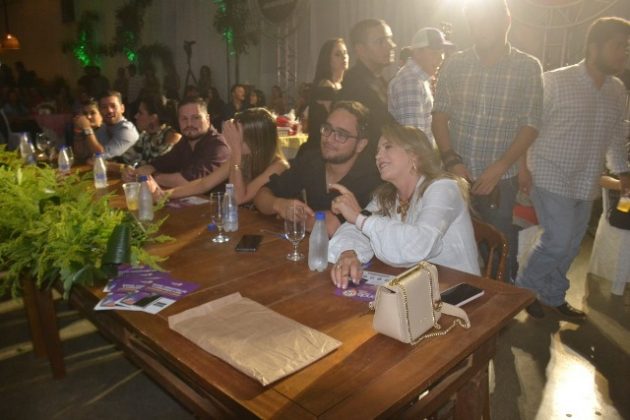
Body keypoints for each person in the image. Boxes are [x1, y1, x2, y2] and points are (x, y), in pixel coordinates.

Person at [516, 17, 630, 319]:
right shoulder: (555, 81)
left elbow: (616, 135)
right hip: (550, 173)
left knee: (571, 245)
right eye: (618, 46)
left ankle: (553, 296)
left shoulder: (617, 90)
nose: (624, 54)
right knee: (558, 240)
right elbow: (528, 127)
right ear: (594, 47)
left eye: (627, 48)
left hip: (587, 179)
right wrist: (522, 168)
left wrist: (623, 172)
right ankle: (523, 291)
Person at [432, 0, 543, 281]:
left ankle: (500, 302)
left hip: (500, 182)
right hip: (455, 176)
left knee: (499, 251)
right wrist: (452, 161)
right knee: (451, 248)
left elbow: (530, 125)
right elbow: (439, 117)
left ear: (506, 21)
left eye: (486, 22)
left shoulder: (527, 67)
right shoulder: (455, 64)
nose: (479, 29)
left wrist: (501, 167)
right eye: (474, 23)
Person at [328, 123, 479, 289]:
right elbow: (354, 229)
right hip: (418, 289)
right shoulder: (387, 196)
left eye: (388, 147)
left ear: (415, 155)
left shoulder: (444, 188)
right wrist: (348, 252)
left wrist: (360, 217)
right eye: (377, 151)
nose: (378, 156)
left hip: (460, 292)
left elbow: (418, 245)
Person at [254, 101, 382, 236]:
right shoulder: (311, 161)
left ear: (360, 145)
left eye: (341, 135)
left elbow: (330, 226)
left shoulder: (372, 178)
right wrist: (279, 205)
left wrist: (292, 215)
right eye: (327, 129)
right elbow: (261, 196)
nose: (329, 139)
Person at [152, 107, 288, 203]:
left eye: (239, 136)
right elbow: (204, 184)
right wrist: (166, 194)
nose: (234, 139)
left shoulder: (279, 166)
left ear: (256, 140)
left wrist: (235, 151)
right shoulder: (245, 156)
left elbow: (238, 198)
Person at [126, 97, 229, 187]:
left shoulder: (219, 146)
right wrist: (134, 173)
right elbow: (163, 162)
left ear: (208, 119)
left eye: (196, 118)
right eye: (184, 119)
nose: (189, 124)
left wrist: (149, 177)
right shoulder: (185, 141)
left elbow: (190, 181)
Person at [338, 19, 397, 151]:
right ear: (361, 50)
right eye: (381, 41)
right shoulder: (355, 85)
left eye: (390, 39)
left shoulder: (380, 80)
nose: (392, 45)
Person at [388, 27, 452, 147]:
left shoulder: (418, 80)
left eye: (442, 52)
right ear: (417, 53)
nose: (441, 58)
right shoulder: (410, 83)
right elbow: (414, 142)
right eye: (434, 53)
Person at [300, 38, 349, 154]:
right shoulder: (325, 85)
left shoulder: (342, 84)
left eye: (345, 53)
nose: (344, 57)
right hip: (320, 146)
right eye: (338, 54)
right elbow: (335, 115)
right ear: (328, 60)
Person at [73, 90, 139, 159]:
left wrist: (87, 129)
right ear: (100, 110)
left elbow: (99, 156)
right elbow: (81, 154)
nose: (109, 111)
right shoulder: (103, 127)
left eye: (113, 106)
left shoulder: (127, 130)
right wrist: (78, 131)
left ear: (122, 108)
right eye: (104, 107)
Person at [122, 95, 181, 166]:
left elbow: (160, 166)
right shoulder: (144, 136)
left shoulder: (172, 137)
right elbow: (127, 158)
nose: (136, 116)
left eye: (140, 113)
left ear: (153, 118)